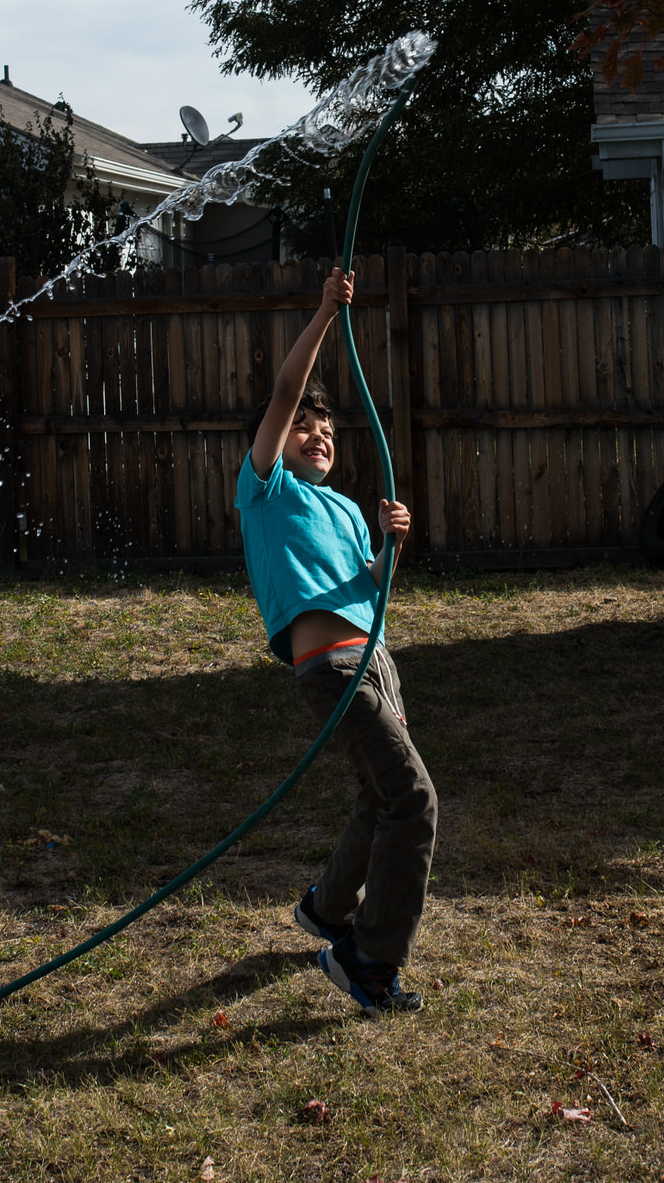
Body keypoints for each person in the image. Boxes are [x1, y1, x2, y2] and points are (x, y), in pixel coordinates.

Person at [237, 263, 431, 1014]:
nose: (317, 435)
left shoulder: (347, 509)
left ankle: (326, 909)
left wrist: (390, 547)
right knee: (414, 799)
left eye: (328, 429)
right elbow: (287, 392)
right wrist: (324, 313)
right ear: (281, 443)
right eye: (305, 429)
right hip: (329, 667)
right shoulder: (266, 491)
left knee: (380, 793)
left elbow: (370, 590)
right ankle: (368, 961)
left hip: (375, 662)